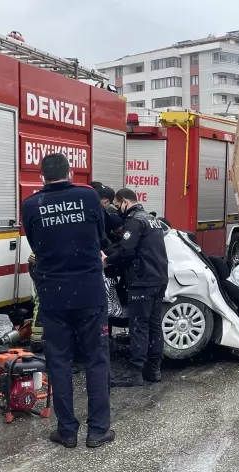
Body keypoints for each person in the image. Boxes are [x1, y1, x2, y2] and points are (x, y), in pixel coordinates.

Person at [22, 153, 114, 448]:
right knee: (96, 362)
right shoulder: (88, 198)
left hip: (53, 297)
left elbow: (36, 245)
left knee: (59, 363)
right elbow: (100, 237)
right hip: (89, 294)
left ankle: (67, 431)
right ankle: (98, 430)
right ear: (70, 173)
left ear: (42, 177)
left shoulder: (31, 204)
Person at [104, 189, 169, 387]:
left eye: (117, 205)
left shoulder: (135, 221)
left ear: (125, 202)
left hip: (142, 281)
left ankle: (135, 374)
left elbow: (127, 251)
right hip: (158, 279)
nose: (116, 209)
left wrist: (107, 262)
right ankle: (154, 370)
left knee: (139, 326)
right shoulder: (152, 220)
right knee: (154, 325)